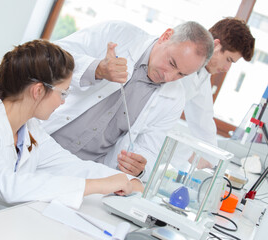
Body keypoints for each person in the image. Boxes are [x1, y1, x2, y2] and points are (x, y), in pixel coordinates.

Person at [0, 39, 143, 222]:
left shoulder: (31, 131)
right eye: (63, 93)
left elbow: (71, 166)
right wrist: (97, 185)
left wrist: (128, 181)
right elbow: (7, 187)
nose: (62, 102)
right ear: (38, 90)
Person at [42, 20, 214, 181]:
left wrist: (139, 170)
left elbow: (149, 149)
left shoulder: (175, 98)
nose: (168, 76)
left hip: (84, 173)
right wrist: (96, 69)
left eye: (181, 74)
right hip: (41, 142)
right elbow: (48, 56)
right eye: (171, 63)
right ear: (165, 36)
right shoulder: (118, 34)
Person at [179, 17, 255, 169]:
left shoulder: (203, 74)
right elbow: (160, 120)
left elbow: (204, 123)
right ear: (217, 46)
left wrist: (216, 165)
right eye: (228, 59)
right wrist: (189, 156)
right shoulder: (181, 64)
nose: (227, 68)